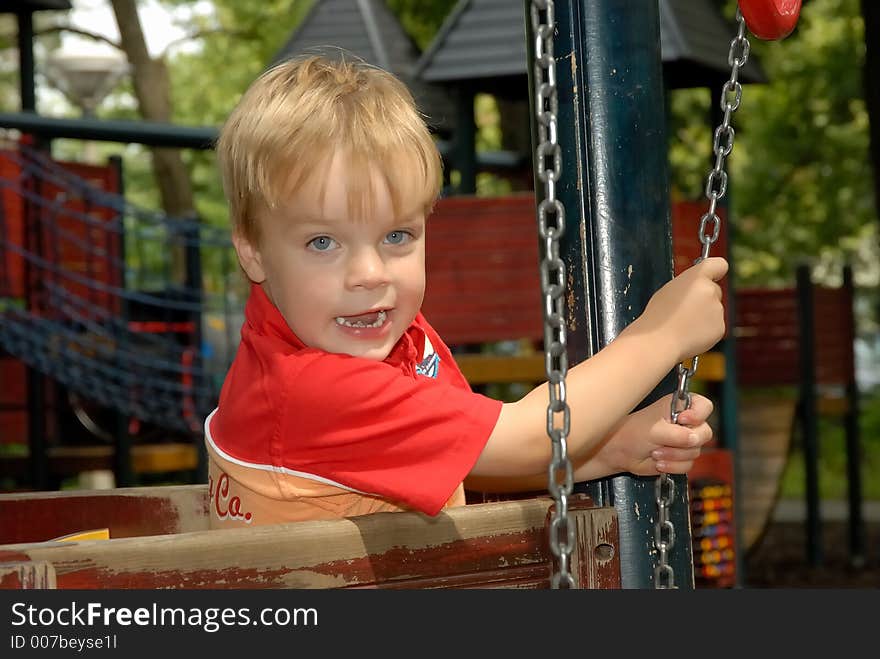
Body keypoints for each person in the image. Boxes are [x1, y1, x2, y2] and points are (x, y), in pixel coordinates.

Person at [205, 54, 727, 528]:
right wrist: (662, 334)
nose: (370, 272)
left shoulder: (388, 334)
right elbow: (529, 437)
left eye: (396, 236)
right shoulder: (308, 387)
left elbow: (468, 460)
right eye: (323, 242)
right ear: (252, 250)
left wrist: (609, 451)